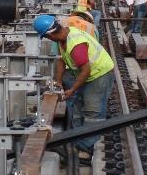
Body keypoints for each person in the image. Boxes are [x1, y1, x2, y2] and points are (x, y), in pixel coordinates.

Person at [34, 15, 115, 157]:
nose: (47, 39)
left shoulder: (75, 44)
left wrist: (72, 89)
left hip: (99, 75)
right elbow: (61, 61)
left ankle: (89, 148)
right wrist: (58, 82)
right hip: (87, 75)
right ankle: (78, 141)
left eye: (46, 37)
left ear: (50, 34)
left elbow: (86, 70)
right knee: (77, 108)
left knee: (93, 111)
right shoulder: (62, 37)